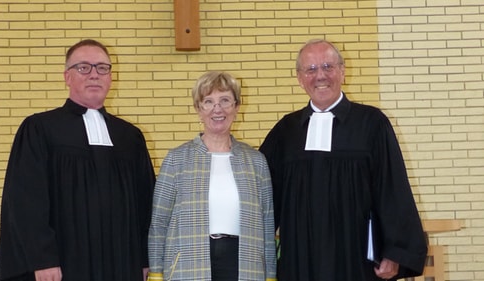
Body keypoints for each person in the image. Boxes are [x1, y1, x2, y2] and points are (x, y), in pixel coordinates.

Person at [259, 39, 428, 281]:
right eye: (311, 69)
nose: (320, 76)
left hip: (356, 258)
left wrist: (395, 251)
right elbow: (263, 194)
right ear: (299, 78)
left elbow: (392, 187)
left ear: (342, 71)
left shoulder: (372, 123)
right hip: (300, 258)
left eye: (328, 66)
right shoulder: (286, 131)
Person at [0, 39, 156, 281]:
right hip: (63, 264)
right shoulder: (40, 129)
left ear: (111, 77)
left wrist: (145, 259)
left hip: (122, 260)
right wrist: (43, 258)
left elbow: (146, 204)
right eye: (84, 67)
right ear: (67, 76)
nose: (94, 75)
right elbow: (25, 201)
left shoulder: (130, 136)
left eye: (102, 68)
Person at [147, 71, 277, 281]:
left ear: (236, 107)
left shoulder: (256, 161)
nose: (218, 109)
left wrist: (270, 275)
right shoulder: (176, 160)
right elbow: (159, 223)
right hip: (189, 266)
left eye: (225, 100)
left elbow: (267, 222)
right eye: (208, 102)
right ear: (198, 109)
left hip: (245, 265)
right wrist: (156, 272)